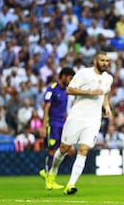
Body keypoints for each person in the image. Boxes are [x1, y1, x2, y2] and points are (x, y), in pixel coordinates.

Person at [45, 51, 113, 195]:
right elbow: (69, 90)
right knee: (64, 148)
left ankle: (71, 184)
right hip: (76, 117)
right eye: (102, 60)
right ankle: (52, 172)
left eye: (107, 61)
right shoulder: (84, 74)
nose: (105, 63)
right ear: (95, 61)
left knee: (83, 150)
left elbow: (105, 94)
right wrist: (90, 92)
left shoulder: (108, 78)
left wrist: (106, 107)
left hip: (93, 121)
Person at [38, 67, 76, 190]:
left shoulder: (65, 91)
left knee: (69, 150)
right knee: (52, 151)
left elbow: (64, 109)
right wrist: (43, 126)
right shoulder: (52, 89)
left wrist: (68, 121)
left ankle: (46, 171)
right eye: (70, 78)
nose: (70, 81)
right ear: (63, 76)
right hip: (52, 124)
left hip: (62, 124)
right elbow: (46, 107)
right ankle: (50, 180)